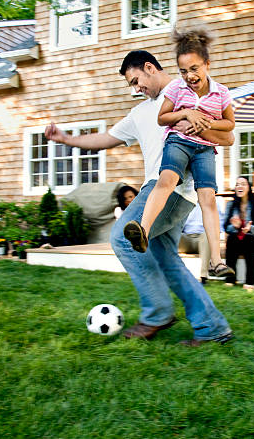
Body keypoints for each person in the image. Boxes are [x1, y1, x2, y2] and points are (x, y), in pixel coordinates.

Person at [44, 50, 234, 346]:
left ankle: (158, 313)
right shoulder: (142, 112)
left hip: (170, 188)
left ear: (149, 68)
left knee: (122, 237)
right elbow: (106, 139)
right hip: (168, 195)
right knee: (166, 259)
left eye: (136, 81)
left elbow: (223, 137)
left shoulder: (190, 94)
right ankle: (211, 326)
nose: (136, 89)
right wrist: (66, 139)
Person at [123, 26, 235, 279]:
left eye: (194, 69)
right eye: (183, 71)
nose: (189, 76)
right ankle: (143, 230)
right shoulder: (176, 89)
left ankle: (216, 261)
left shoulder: (222, 93)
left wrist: (207, 122)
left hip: (205, 149)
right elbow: (163, 118)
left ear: (207, 64)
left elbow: (229, 125)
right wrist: (185, 113)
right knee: (166, 182)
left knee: (208, 199)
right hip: (179, 142)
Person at [223, 177, 254, 291]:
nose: (239, 187)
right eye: (237, 185)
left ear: (249, 188)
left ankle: (250, 280)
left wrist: (250, 228)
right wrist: (235, 226)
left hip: (252, 240)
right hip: (236, 239)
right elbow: (226, 227)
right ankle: (231, 278)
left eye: (243, 184)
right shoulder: (230, 205)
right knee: (231, 239)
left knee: (249, 240)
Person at [178, 203, 211, 284]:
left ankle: (203, 276)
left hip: (202, 239)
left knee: (207, 235)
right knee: (172, 235)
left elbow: (218, 225)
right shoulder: (184, 202)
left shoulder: (212, 203)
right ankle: (173, 274)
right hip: (186, 238)